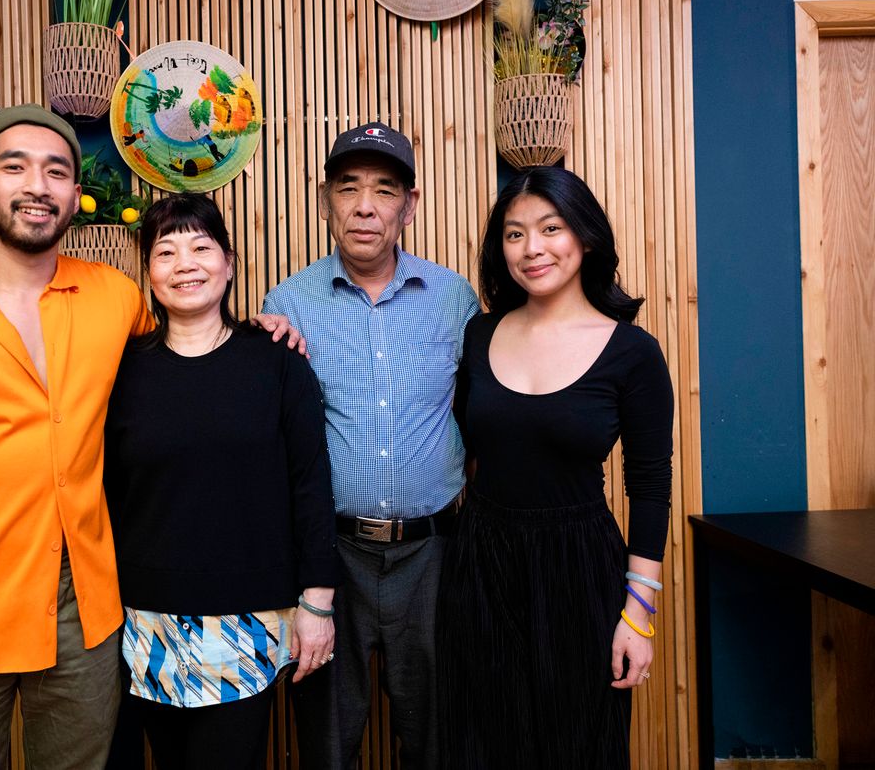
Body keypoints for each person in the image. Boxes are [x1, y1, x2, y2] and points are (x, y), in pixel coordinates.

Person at [0, 101, 300, 769]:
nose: (37, 186)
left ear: (75, 195)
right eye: (15, 167)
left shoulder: (117, 299)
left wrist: (259, 335)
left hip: (86, 615)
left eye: (56, 171)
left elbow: (186, 361)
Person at [438, 166, 674, 769]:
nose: (532, 248)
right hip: (481, 561)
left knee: (578, 746)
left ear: (585, 237)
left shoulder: (633, 353)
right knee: (482, 745)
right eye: (514, 234)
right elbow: (463, 449)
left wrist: (638, 615)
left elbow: (649, 489)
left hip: (580, 566)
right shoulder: (479, 334)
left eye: (551, 228)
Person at [262, 123, 479, 768]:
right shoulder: (288, 304)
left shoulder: (453, 299)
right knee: (327, 745)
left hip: (433, 552)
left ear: (409, 207)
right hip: (331, 557)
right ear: (324, 200)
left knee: (440, 739)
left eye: (384, 190)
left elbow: (483, 413)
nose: (364, 206)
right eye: (348, 188)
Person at [103, 194, 340, 770]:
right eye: (165, 252)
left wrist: (318, 603)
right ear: (148, 272)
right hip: (145, 620)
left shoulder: (277, 360)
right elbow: (107, 491)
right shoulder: (120, 369)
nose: (184, 264)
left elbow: (311, 485)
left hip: (247, 619)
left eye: (201, 248)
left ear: (229, 264)